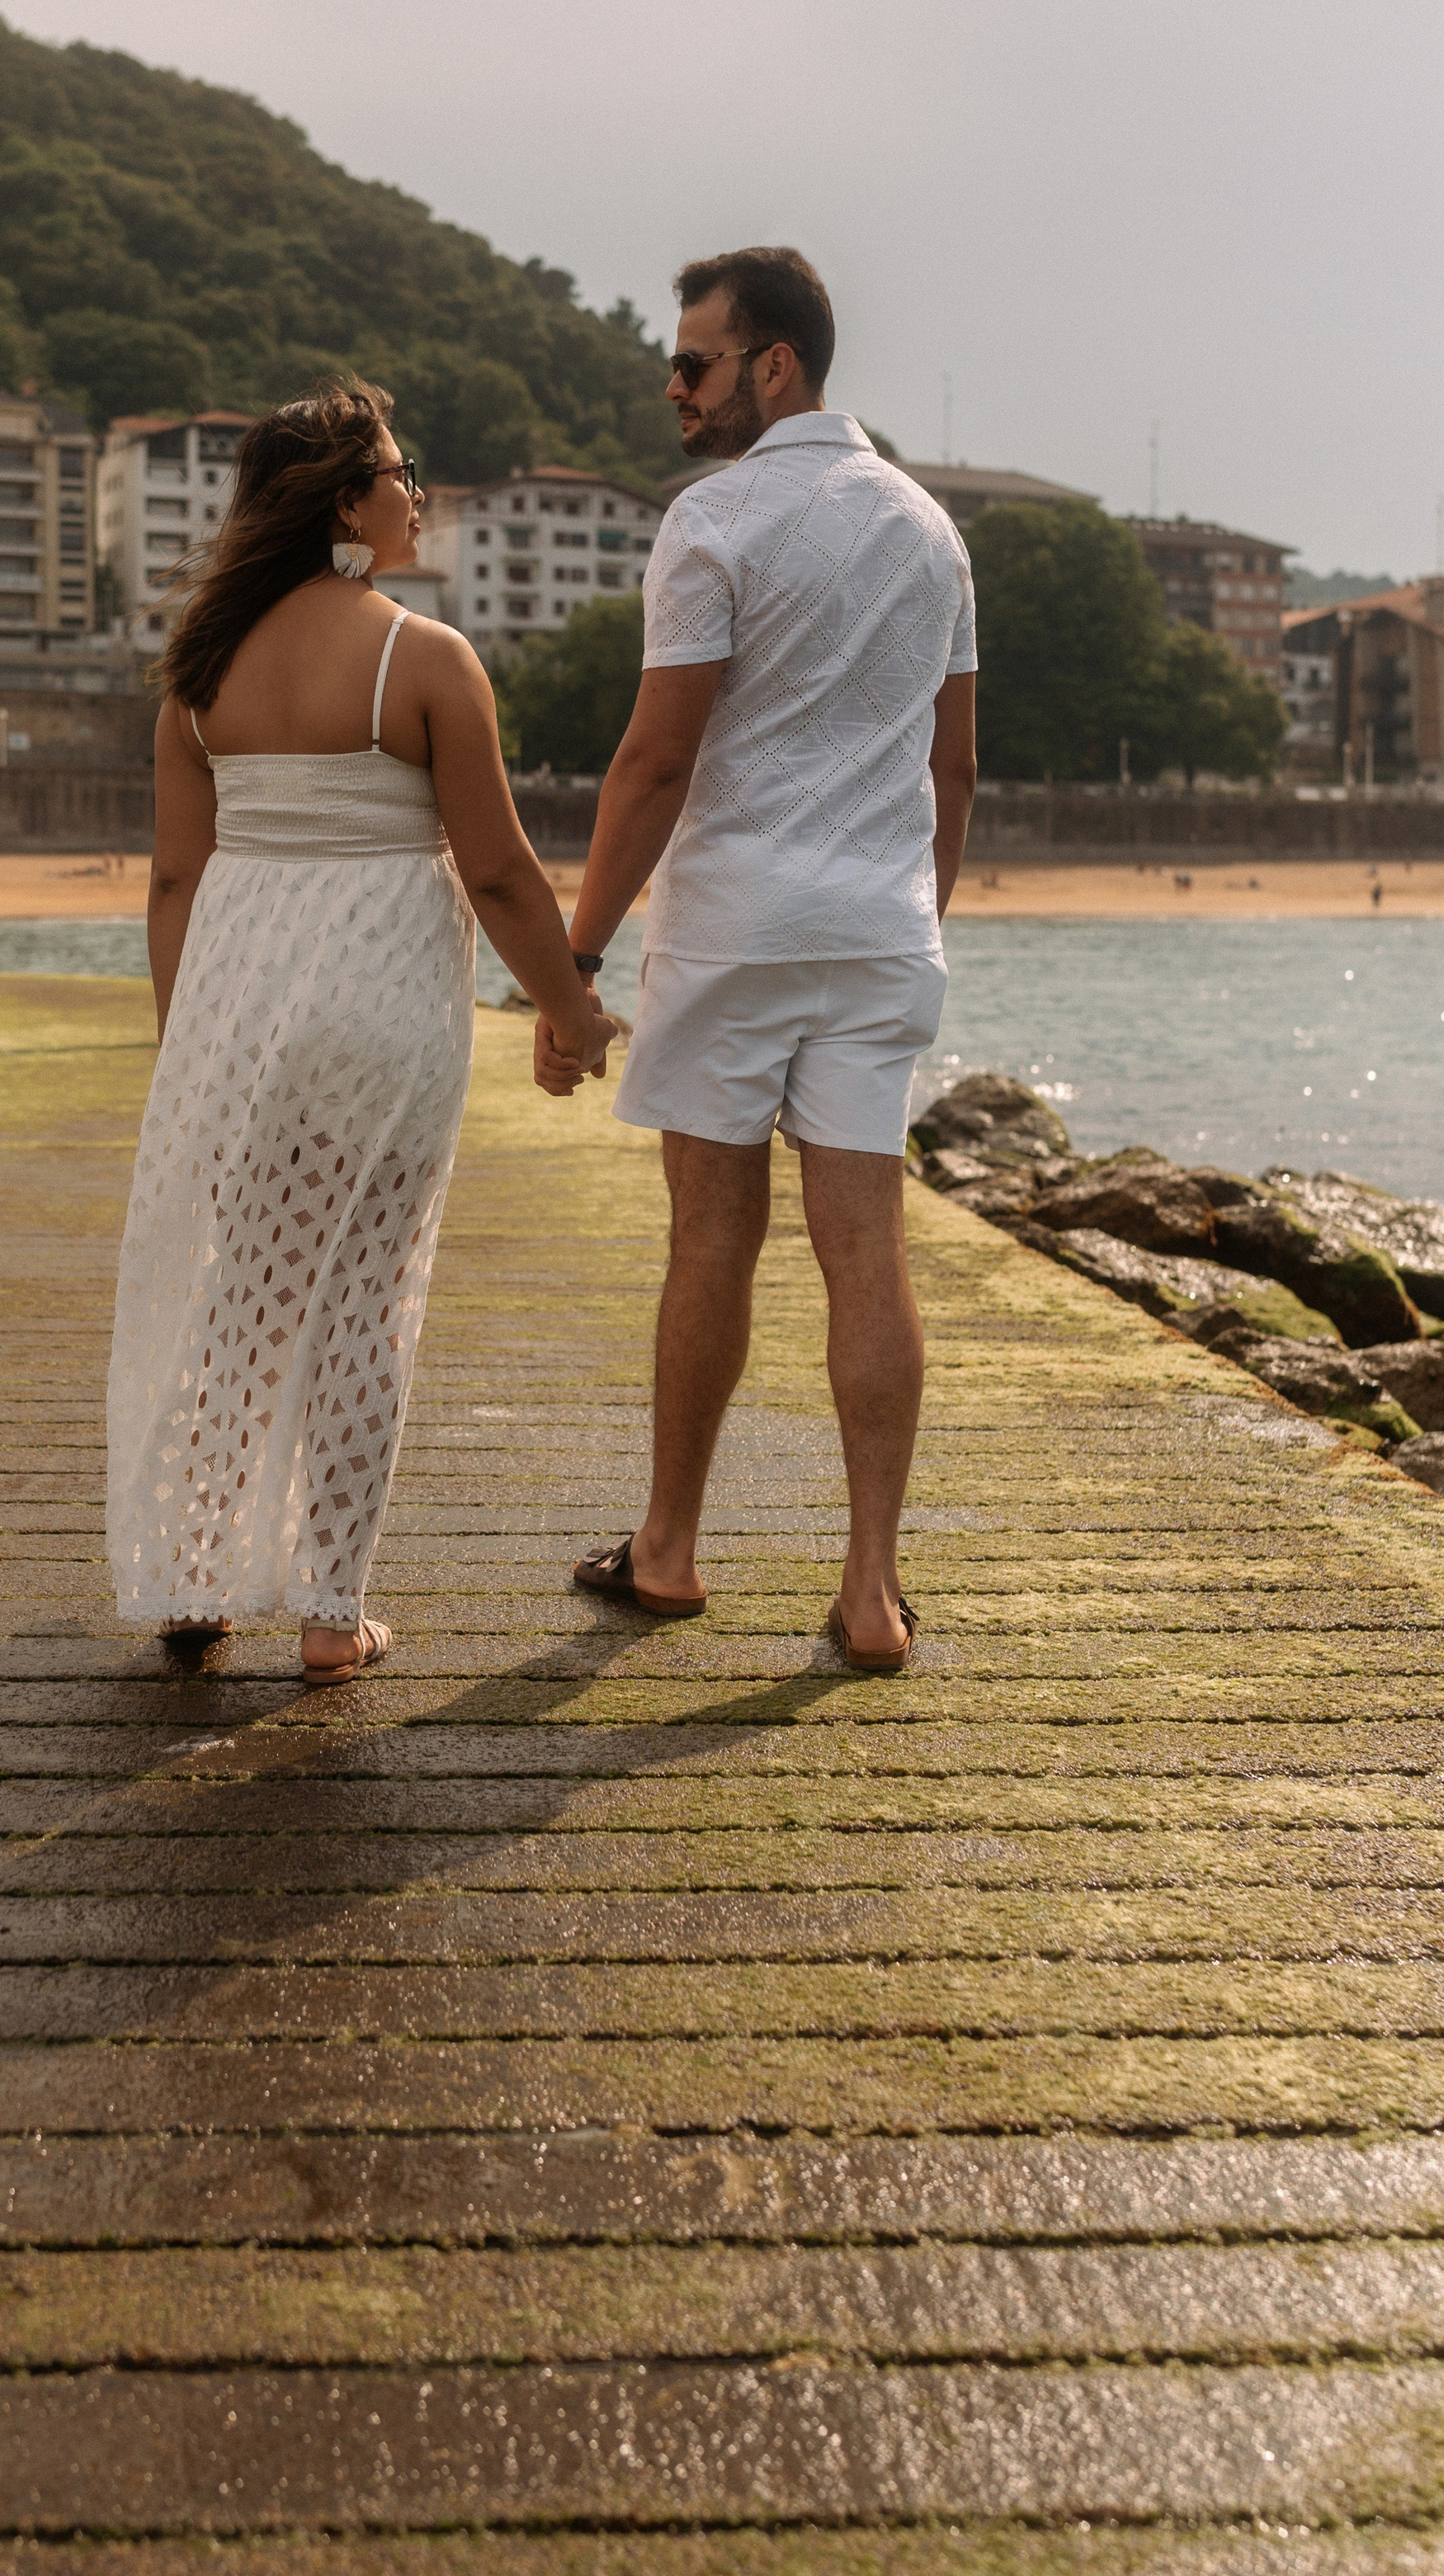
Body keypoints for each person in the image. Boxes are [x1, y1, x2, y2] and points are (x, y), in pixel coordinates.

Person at [107, 380, 616, 1685]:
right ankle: (333, 1615)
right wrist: (570, 1009)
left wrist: (190, 1045)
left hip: (243, 1010)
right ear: (343, 499)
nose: (417, 491)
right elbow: (499, 871)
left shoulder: (199, 673)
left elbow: (175, 880)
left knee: (242, 1291)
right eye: (397, 471)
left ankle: (196, 1572)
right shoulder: (424, 658)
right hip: (384, 1009)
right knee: (361, 1306)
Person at [540, 249, 978, 1674]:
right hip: (878, 927)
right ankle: (870, 1590)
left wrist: (579, 952)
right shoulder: (933, 532)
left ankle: (667, 1551)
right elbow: (953, 767)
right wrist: (917, 910)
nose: (675, 389)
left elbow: (656, 758)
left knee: (711, 1234)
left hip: (733, 926)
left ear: (771, 366)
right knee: (868, 1250)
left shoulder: (716, 518)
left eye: (693, 363)